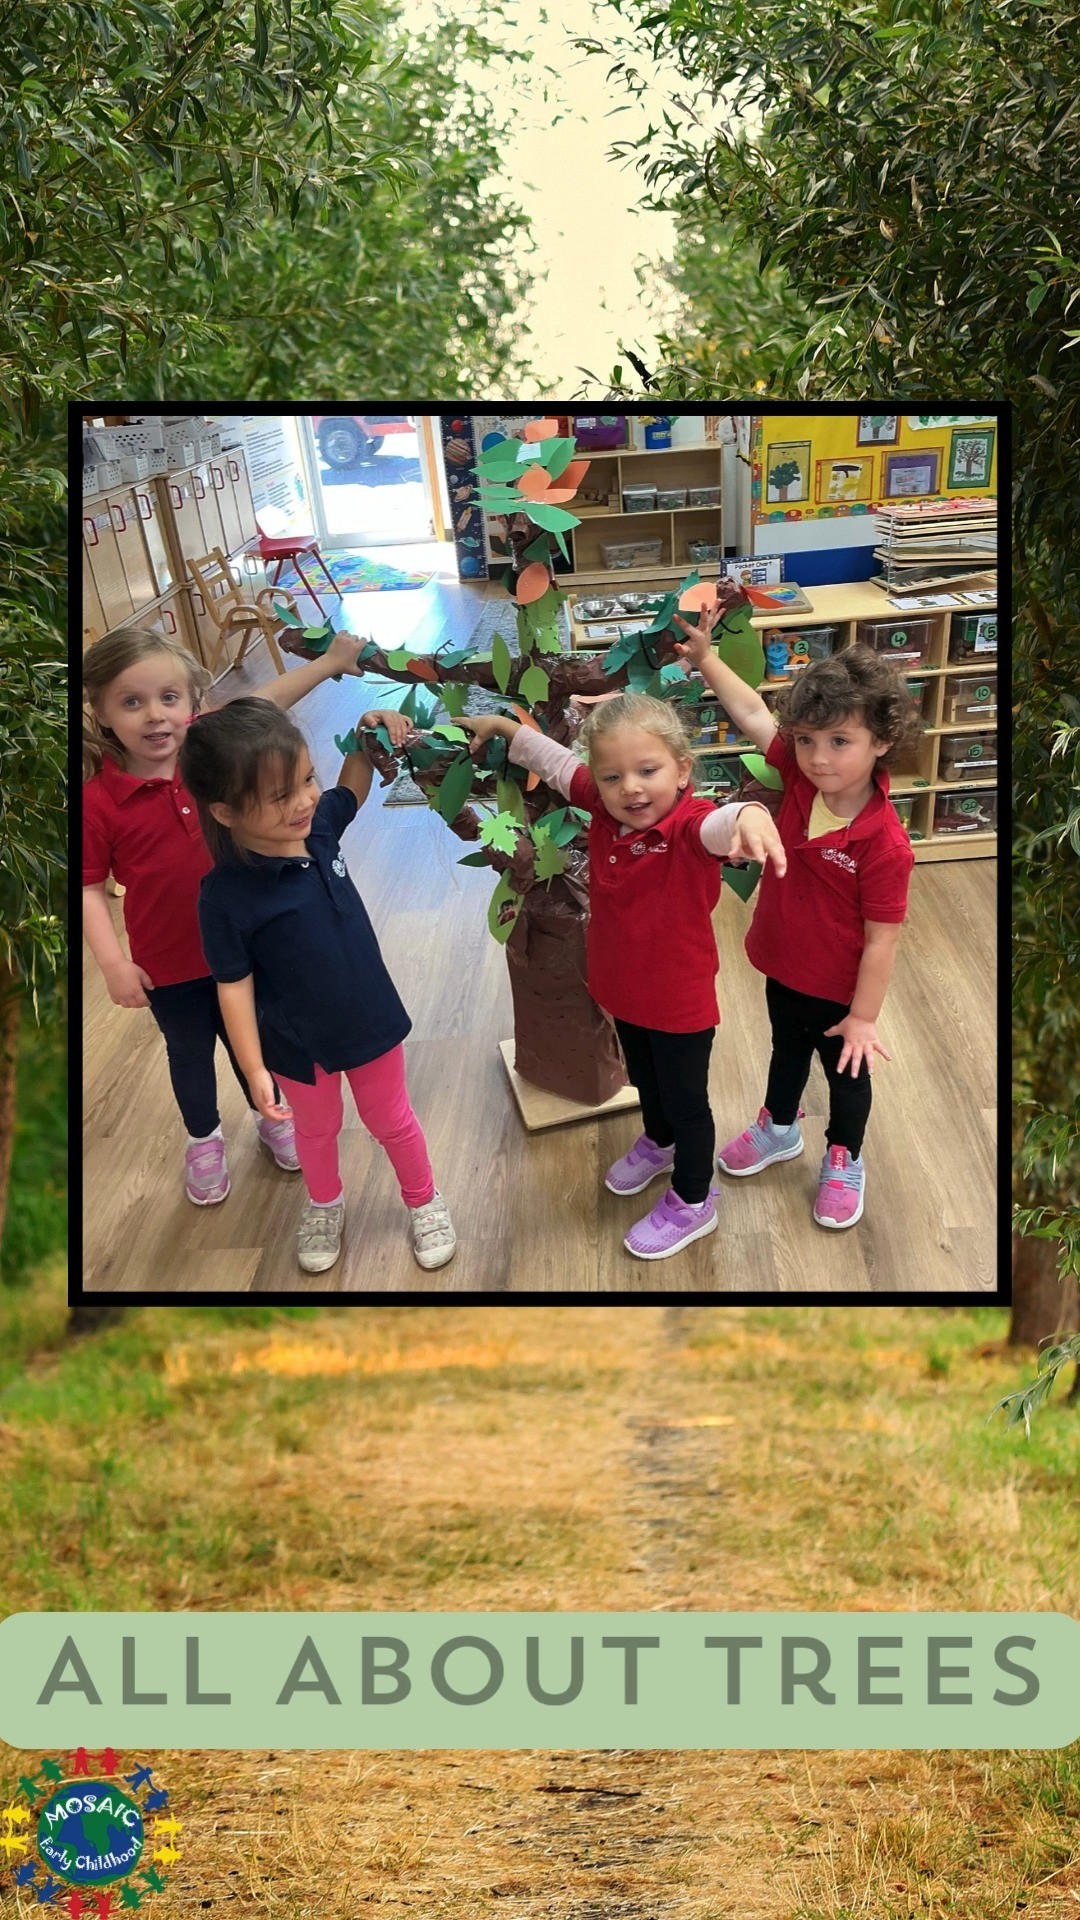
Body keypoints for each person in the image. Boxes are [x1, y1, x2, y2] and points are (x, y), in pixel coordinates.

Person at [82, 625, 401, 1209]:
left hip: (253, 952)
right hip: (169, 965)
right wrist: (112, 963)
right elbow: (87, 887)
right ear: (99, 711)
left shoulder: (216, 760)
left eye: (169, 698)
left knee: (253, 1045)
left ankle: (270, 1114)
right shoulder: (98, 801)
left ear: (193, 701)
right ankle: (203, 1139)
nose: (155, 716)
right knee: (188, 1053)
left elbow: (263, 705)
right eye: (131, 702)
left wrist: (331, 662)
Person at [460, 694, 786, 1262]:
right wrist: (504, 729)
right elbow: (557, 764)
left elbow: (721, 823)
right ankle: (659, 1141)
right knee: (644, 1080)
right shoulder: (605, 805)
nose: (630, 788)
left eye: (648, 771)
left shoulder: (688, 826)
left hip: (679, 1004)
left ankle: (694, 1199)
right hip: (620, 989)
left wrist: (751, 815)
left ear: (682, 770)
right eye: (614, 777)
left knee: (687, 1103)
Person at [179, 700, 456, 1277]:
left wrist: (364, 733)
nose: (305, 800)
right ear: (226, 812)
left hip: (368, 1017)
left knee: (391, 1119)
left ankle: (424, 1199)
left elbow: (350, 788)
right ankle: (325, 1203)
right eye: (281, 795)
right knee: (315, 1128)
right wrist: (254, 1068)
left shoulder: (320, 827)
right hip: (294, 1043)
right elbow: (232, 986)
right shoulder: (224, 897)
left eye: (307, 779)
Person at [674, 595, 917, 1230]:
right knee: (785, 1051)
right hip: (782, 962)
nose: (817, 756)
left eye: (840, 741)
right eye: (806, 740)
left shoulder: (886, 845)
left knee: (846, 1079)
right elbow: (754, 712)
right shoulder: (802, 782)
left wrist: (863, 1018)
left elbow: (883, 940)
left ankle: (844, 1155)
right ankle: (779, 1127)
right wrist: (706, 659)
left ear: (883, 741)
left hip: (841, 991)